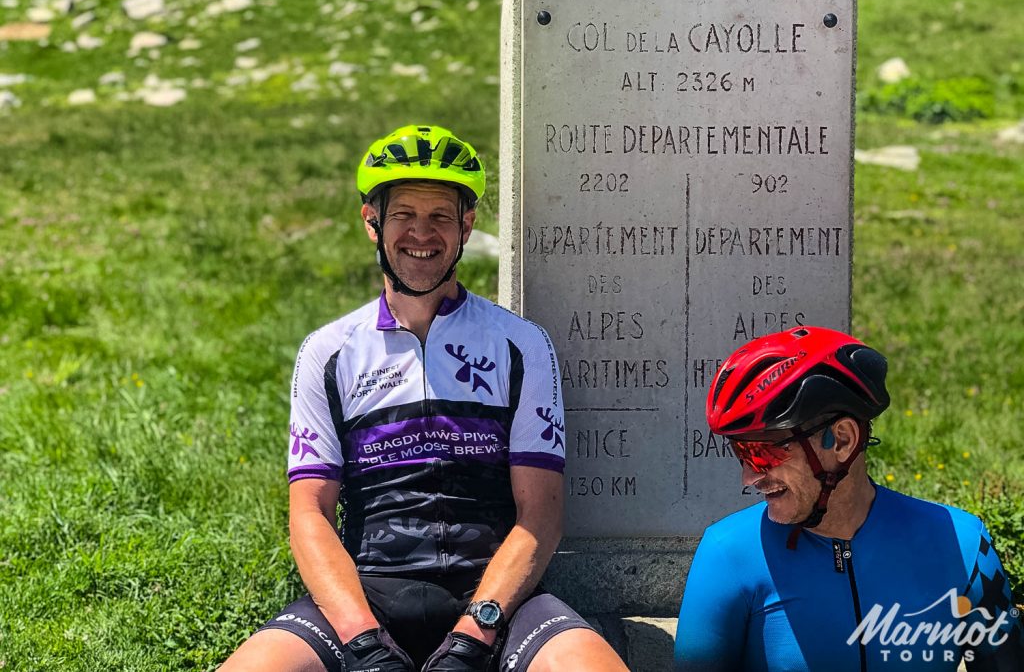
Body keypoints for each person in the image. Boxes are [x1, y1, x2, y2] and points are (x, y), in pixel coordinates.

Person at [222, 125, 627, 672]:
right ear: (372, 223)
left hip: (498, 604)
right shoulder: (328, 351)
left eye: (440, 216)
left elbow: (541, 515)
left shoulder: (522, 345)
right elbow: (309, 514)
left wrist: (472, 637)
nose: (422, 233)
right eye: (403, 215)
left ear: (467, 225)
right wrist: (363, 640)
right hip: (366, 600)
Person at [675, 326, 1024, 671]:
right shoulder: (726, 555)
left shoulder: (963, 545)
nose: (749, 477)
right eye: (741, 452)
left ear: (841, 440)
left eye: (762, 452)